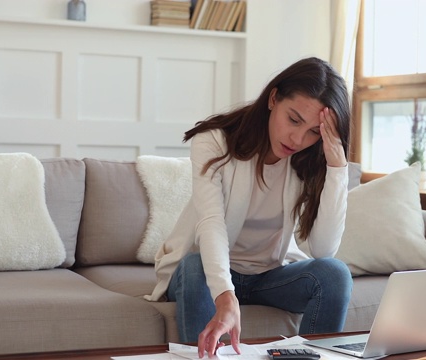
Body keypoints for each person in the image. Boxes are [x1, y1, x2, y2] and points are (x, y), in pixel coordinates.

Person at [146, 57, 353, 358]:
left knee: (334, 273)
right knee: (193, 266)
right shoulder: (214, 141)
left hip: (268, 276)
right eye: (294, 120)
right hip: (207, 268)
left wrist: (337, 166)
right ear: (273, 98)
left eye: (313, 132)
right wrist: (225, 295)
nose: (298, 139)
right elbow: (211, 224)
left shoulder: (308, 160)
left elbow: (323, 250)